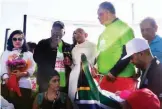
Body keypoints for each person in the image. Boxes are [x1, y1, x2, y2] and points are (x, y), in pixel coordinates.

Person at [94, 1, 136, 92]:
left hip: (121, 79)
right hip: (104, 79)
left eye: (100, 14)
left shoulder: (124, 28)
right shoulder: (104, 33)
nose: (98, 17)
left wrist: (114, 72)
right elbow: (100, 54)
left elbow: (129, 52)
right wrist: (95, 67)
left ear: (108, 13)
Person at [33, 21, 72, 93]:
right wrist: (51, 48)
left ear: (64, 32)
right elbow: (36, 58)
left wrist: (69, 62)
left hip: (63, 84)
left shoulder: (68, 47)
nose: (56, 32)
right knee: (44, 103)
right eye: (55, 29)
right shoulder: (43, 43)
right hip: (45, 83)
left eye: (59, 30)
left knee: (61, 103)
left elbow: (71, 64)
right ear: (51, 31)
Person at [0, 30, 36, 109]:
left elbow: (32, 69)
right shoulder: (6, 52)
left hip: (24, 86)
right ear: (11, 40)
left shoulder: (29, 54)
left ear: (23, 40)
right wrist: (7, 79)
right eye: (14, 39)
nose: (17, 41)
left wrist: (22, 73)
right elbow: (2, 68)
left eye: (20, 39)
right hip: (7, 86)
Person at [122, 38, 162, 108]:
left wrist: (129, 97)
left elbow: (153, 104)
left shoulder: (157, 73)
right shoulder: (148, 68)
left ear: (141, 54)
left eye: (131, 57)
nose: (131, 61)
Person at [68, 28, 97, 107]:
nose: (77, 34)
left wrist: (95, 69)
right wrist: (70, 64)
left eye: (80, 32)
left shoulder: (93, 46)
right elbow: (74, 66)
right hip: (74, 78)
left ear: (86, 35)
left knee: (88, 100)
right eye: (75, 33)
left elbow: (97, 61)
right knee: (74, 99)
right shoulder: (74, 49)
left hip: (88, 76)